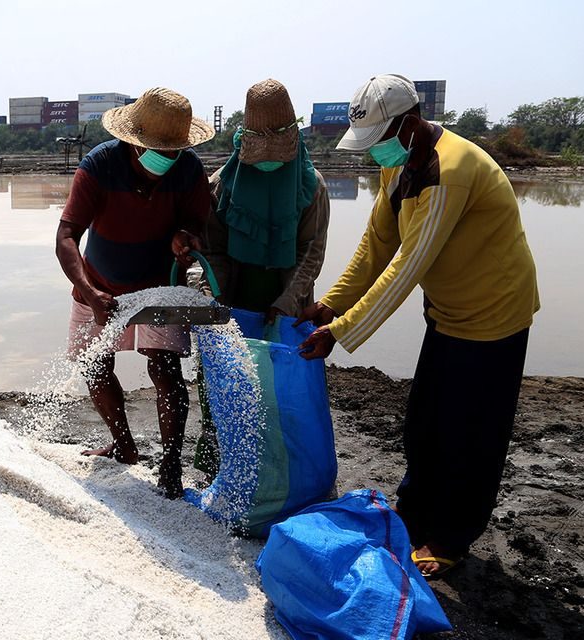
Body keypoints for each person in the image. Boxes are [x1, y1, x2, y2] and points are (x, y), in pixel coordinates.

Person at [298, 74, 539, 578]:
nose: (375, 153)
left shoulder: (448, 170)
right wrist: (328, 305)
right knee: (426, 421)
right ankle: (414, 509)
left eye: (380, 140)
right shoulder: (400, 166)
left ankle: (452, 537)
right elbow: (374, 247)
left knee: (472, 434)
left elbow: (408, 266)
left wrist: (340, 330)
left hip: (493, 316)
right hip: (448, 313)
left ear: (409, 124)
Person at [55, 87, 215, 499]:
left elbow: (201, 222)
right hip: (98, 285)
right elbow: (67, 234)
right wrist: (89, 292)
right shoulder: (100, 165)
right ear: (132, 142)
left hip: (161, 286)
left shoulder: (188, 169)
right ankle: (124, 446)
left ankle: (170, 466)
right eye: (156, 150)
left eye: (172, 151)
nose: (165, 159)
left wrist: (187, 236)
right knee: (93, 365)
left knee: (164, 369)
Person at [188, 78, 330, 477]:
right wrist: (211, 294)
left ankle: (280, 468)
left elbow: (310, 252)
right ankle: (222, 461)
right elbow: (212, 250)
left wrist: (287, 301)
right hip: (235, 291)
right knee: (223, 378)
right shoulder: (222, 186)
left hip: (287, 296)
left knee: (281, 385)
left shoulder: (311, 187)